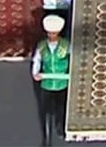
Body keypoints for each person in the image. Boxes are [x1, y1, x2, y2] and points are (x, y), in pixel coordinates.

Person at [32, 15, 70, 146]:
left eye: (54, 33)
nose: (51, 35)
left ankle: (60, 128)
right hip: (47, 83)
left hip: (62, 83)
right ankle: (46, 135)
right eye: (49, 33)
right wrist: (35, 72)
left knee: (61, 108)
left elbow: (73, 60)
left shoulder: (66, 45)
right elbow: (37, 60)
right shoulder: (42, 46)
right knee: (46, 110)